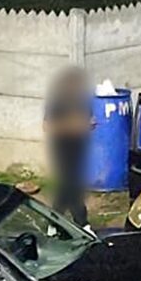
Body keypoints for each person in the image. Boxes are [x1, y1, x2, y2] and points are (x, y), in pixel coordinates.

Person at [44, 67, 94, 228]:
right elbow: (48, 127)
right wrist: (72, 127)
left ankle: (53, 222)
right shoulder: (58, 103)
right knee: (72, 185)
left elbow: (87, 121)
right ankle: (82, 223)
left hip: (78, 148)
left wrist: (88, 125)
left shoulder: (83, 103)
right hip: (62, 148)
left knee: (66, 187)